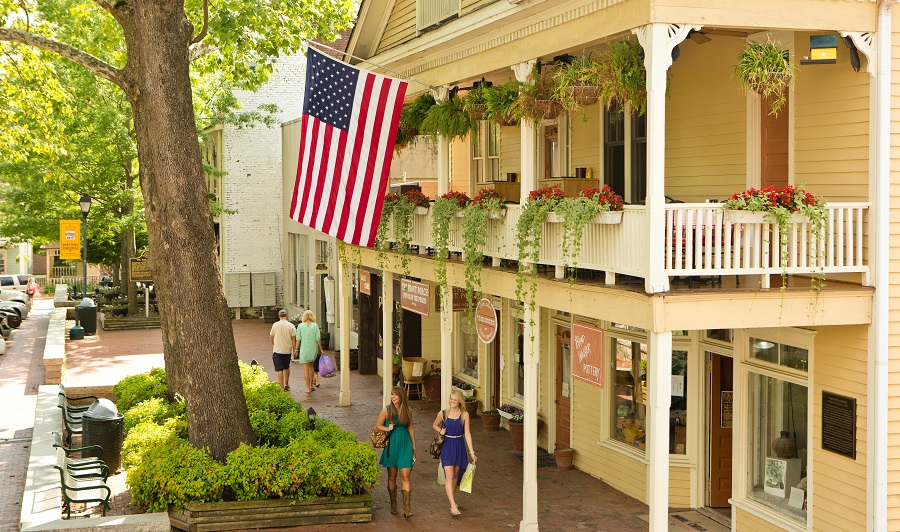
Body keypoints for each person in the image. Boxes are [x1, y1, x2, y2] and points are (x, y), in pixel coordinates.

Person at [433, 389, 477, 516]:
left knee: (456, 475)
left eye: (455, 399)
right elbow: (435, 424)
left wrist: (472, 452)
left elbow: (467, 434)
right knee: (450, 475)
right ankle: (452, 505)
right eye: (451, 399)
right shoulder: (443, 413)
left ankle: (452, 500)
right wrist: (440, 430)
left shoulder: (464, 415)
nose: (453, 401)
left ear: (459, 401)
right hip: (447, 445)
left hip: (459, 445)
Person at [377, 386, 416, 518]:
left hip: (405, 444)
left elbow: (410, 427)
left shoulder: (408, 410)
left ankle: (407, 507)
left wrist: (414, 445)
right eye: (392, 395)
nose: (393, 397)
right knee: (392, 476)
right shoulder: (386, 410)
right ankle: (394, 504)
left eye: (396, 395)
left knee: (405, 476)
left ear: (401, 396)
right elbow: (378, 426)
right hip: (392, 444)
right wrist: (388, 428)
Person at [294, 310, 322, 393]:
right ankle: (311, 385)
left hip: (304, 350)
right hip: (313, 349)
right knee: (311, 367)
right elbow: (318, 339)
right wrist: (321, 349)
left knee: (306, 369)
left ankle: (307, 388)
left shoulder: (300, 326)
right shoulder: (315, 326)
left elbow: (298, 339)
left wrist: (296, 349)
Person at [269, 309, 295, 391]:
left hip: (277, 350)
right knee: (286, 367)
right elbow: (294, 338)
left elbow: (271, 336)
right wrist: (295, 349)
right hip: (287, 350)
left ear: (279, 316)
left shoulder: (275, 325)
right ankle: (286, 384)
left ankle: (281, 387)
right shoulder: (291, 325)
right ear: (286, 316)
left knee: (279, 369)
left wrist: (274, 344)